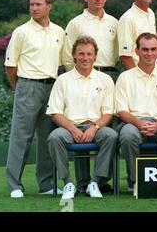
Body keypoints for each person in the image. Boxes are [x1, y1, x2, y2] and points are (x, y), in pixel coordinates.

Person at [4, 0, 66, 198]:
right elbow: (10, 67)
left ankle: (46, 184)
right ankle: (14, 186)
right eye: (32, 4)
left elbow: (64, 63)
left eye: (39, 4)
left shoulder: (59, 31)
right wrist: (20, 88)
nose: (34, 8)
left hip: (52, 88)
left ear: (49, 6)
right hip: (27, 86)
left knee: (47, 138)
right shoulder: (21, 32)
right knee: (21, 138)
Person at [63, 0, 119, 194]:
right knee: (81, 122)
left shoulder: (114, 22)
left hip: (108, 76)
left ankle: (102, 180)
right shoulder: (76, 23)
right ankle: (83, 182)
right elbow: (69, 56)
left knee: (105, 128)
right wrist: (76, 76)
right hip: (80, 75)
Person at [47, 36, 117, 200]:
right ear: (74, 55)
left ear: (95, 56)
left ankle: (95, 183)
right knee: (54, 138)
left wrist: (95, 128)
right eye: (81, 54)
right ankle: (68, 183)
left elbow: (108, 113)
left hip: (96, 127)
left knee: (111, 135)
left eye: (89, 54)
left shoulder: (105, 80)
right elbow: (55, 113)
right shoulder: (63, 80)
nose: (85, 58)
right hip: (69, 128)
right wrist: (72, 129)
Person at [116, 32, 157, 195]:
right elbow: (121, 110)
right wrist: (139, 124)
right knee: (127, 136)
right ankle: (135, 180)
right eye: (145, 49)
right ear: (136, 51)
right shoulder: (125, 77)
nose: (149, 53)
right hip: (132, 123)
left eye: (153, 49)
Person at [118, 0, 156, 70]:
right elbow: (125, 56)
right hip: (138, 77)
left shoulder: (151, 14)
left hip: (153, 76)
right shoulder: (127, 18)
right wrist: (136, 79)